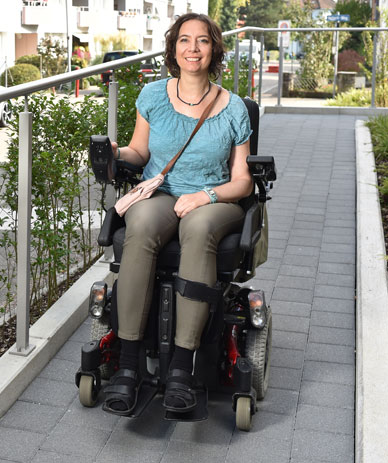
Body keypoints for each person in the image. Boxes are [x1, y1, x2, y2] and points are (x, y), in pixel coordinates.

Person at [102, 13, 253, 416]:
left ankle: (183, 368)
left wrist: (205, 196)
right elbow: (140, 153)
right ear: (173, 49)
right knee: (140, 225)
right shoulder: (153, 96)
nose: (193, 48)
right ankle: (129, 365)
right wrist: (117, 153)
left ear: (214, 49)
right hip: (163, 193)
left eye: (202, 40)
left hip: (215, 200)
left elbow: (243, 182)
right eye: (184, 40)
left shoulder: (234, 108)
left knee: (198, 230)